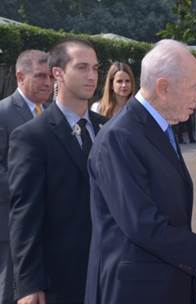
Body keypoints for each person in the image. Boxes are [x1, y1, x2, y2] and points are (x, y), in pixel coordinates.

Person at [84, 39, 196, 304]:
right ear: (163, 87)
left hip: (163, 283)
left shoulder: (158, 127)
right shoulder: (119, 137)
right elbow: (142, 224)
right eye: (195, 87)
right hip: (136, 291)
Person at [8, 38, 108, 304]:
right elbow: (24, 215)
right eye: (82, 67)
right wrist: (29, 285)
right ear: (58, 73)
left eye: (96, 68)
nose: (92, 76)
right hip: (61, 280)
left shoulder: (109, 129)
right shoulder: (31, 136)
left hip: (110, 272)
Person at [0, 50, 52, 304]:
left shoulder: (52, 112)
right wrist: (34, 188)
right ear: (20, 77)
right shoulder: (3, 113)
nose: (48, 82)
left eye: (51, 76)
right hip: (11, 224)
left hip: (49, 224)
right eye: (40, 76)